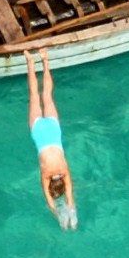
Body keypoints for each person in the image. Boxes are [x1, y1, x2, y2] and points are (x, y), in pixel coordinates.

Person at [25, 50, 79, 229]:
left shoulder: (64, 171)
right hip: (39, 132)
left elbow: (70, 198)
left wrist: (71, 211)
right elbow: (50, 202)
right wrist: (59, 216)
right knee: (34, 96)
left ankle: (45, 60)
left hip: (54, 131)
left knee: (47, 95)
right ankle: (30, 61)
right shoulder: (46, 175)